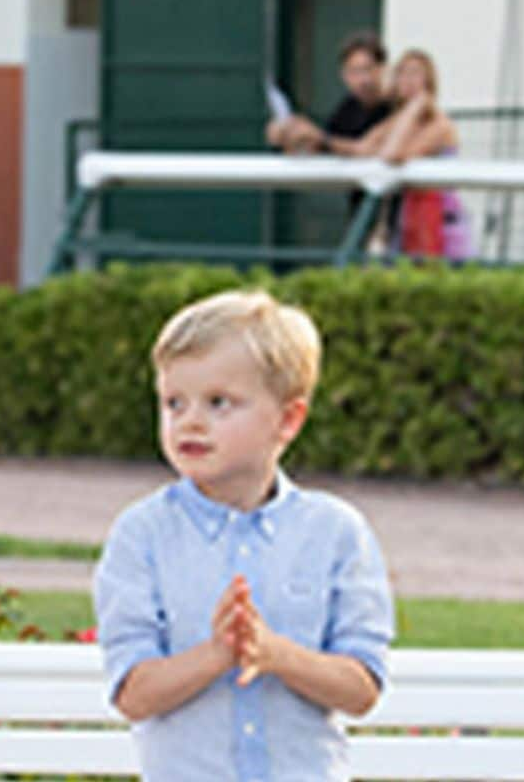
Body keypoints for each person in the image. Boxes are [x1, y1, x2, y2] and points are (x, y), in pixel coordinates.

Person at [92, 289, 395, 781]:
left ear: (288, 420)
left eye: (218, 403)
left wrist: (275, 654)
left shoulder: (336, 533)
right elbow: (134, 694)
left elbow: (361, 688)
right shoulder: (141, 536)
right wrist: (218, 655)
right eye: (173, 403)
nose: (190, 420)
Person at [337, 49, 469, 260]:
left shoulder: (439, 125)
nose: (408, 80)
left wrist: (415, 108)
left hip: (439, 222)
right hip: (407, 219)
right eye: (403, 74)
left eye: (415, 74)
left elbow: (393, 154)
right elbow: (362, 147)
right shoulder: (396, 122)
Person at [264, 31, 392, 155]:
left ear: (382, 68)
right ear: (344, 75)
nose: (363, 80)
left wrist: (320, 137)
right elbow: (324, 148)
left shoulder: (394, 107)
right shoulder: (347, 109)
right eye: (354, 71)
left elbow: (366, 149)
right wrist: (289, 137)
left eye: (368, 69)